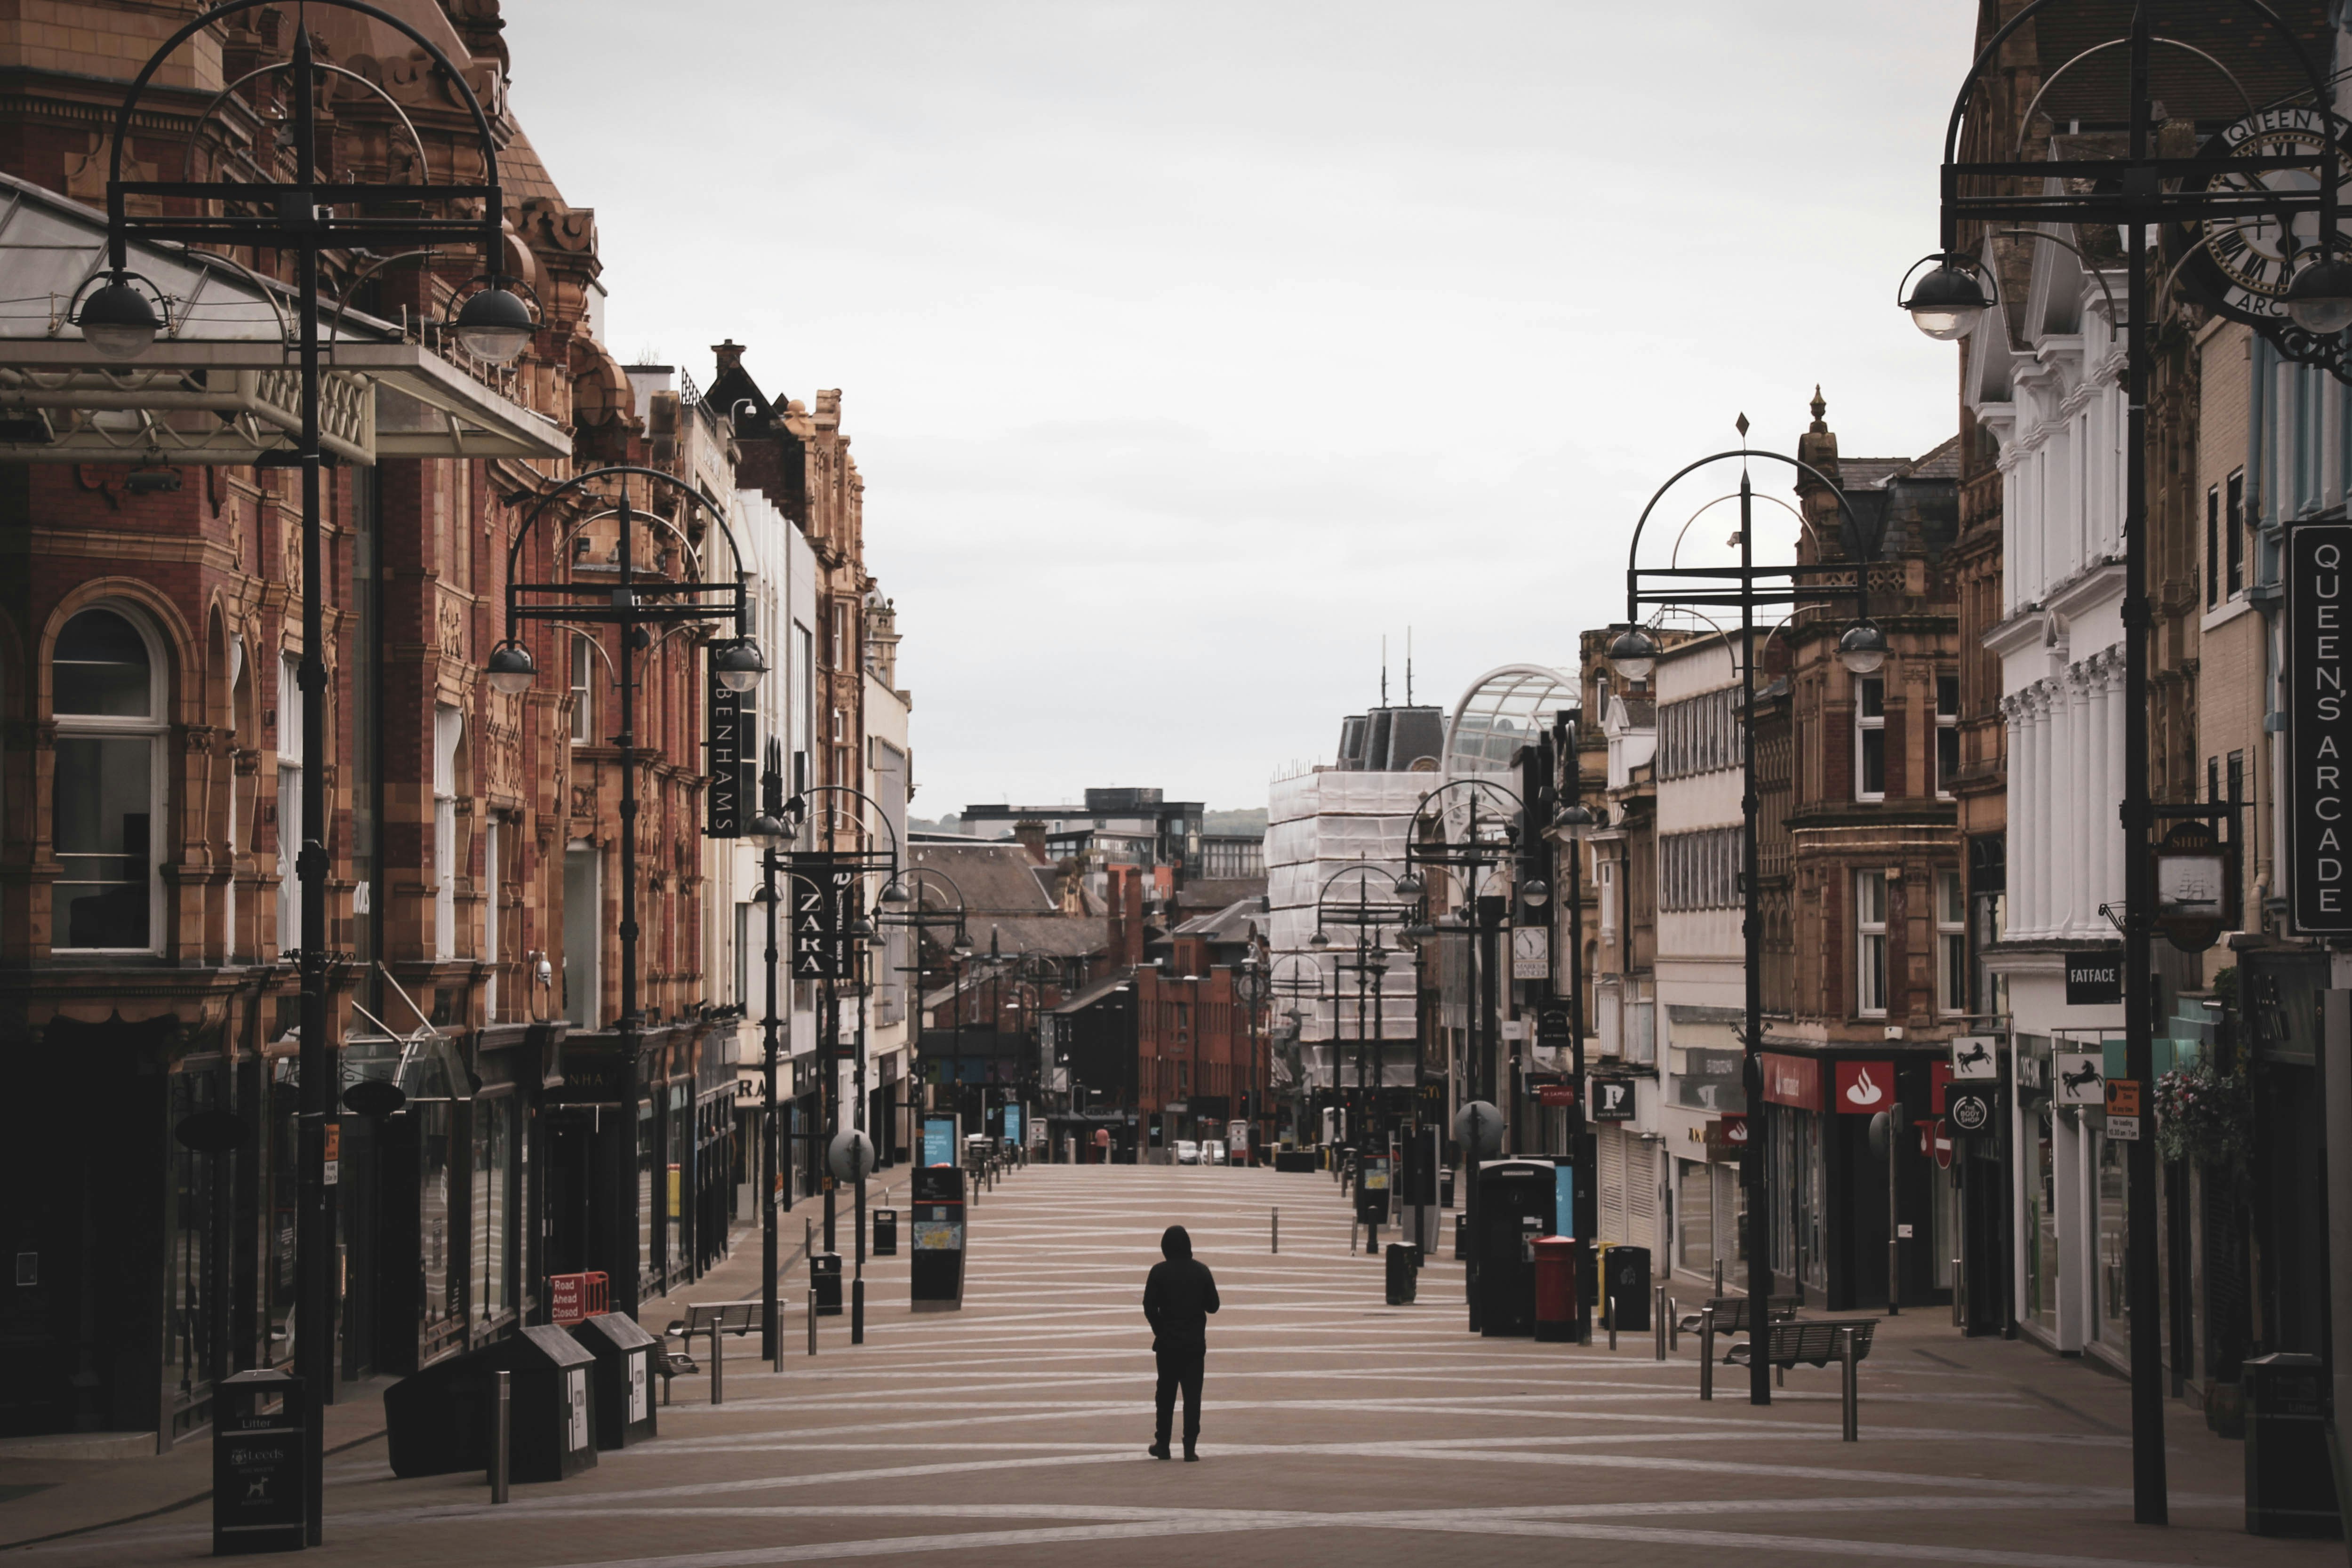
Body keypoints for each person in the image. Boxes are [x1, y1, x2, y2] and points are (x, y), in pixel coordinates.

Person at [1142, 1223, 1219, 1460]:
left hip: (1167, 1345)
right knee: (1192, 1396)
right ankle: (1190, 1447)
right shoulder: (1202, 1271)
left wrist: (1159, 1329)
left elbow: (1148, 1306)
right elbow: (1214, 1306)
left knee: (1165, 1395)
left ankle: (1163, 1444)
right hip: (1194, 1346)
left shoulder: (1158, 1272)